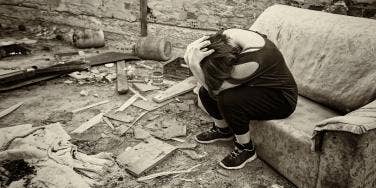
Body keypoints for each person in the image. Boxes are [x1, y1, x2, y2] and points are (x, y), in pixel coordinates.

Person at [184, 28, 298, 170]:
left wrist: (194, 65)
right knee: (203, 91)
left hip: (280, 99)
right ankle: (223, 130)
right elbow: (204, 53)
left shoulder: (252, 61)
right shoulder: (228, 36)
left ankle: (246, 149)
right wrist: (190, 51)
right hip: (257, 85)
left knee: (227, 98)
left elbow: (215, 91)